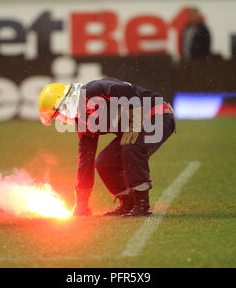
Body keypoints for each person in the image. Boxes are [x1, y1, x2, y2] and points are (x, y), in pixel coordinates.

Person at [38, 77, 176, 217]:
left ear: (65, 103)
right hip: (140, 125)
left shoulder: (93, 90)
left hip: (158, 115)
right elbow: (86, 161)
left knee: (132, 147)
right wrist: (81, 204)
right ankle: (128, 203)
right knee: (105, 163)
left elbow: (125, 89)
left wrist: (136, 120)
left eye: (59, 115)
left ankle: (142, 205)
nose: (63, 120)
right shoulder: (84, 122)